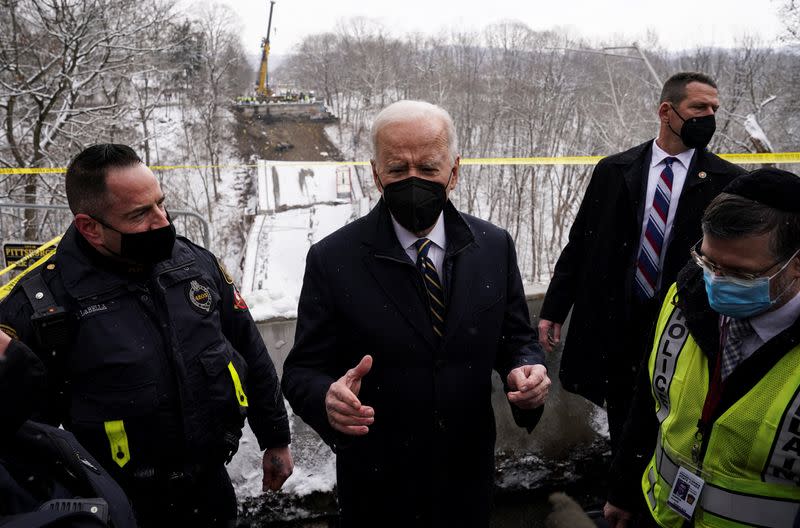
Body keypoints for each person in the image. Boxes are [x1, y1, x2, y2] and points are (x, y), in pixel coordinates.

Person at [281, 100, 550, 527]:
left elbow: (516, 338)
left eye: (427, 168)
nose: (413, 181)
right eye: (397, 169)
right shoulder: (334, 258)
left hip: (468, 480)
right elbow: (302, 371)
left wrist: (526, 370)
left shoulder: (493, 246)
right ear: (375, 174)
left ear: (454, 171)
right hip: (378, 488)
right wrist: (326, 400)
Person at [0, 144, 293, 527]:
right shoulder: (40, 306)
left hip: (209, 487)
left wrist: (275, 437)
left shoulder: (194, 264)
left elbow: (249, 350)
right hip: (118, 504)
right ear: (90, 227)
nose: (162, 222)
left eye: (161, 204)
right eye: (140, 214)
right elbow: (20, 433)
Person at [538, 72, 746, 450]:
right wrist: (554, 307)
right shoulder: (615, 170)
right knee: (622, 419)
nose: (709, 116)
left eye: (715, 108)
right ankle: (622, 502)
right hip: (619, 322)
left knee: (674, 424)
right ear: (666, 111)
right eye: (699, 107)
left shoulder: (727, 181)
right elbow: (580, 244)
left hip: (681, 326)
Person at [604, 168, 800, 527]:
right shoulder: (686, 294)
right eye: (708, 261)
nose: (716, 282)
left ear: (796, 265)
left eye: (741, 274)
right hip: (662, 514)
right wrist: (624, 489)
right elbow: (650, 399)